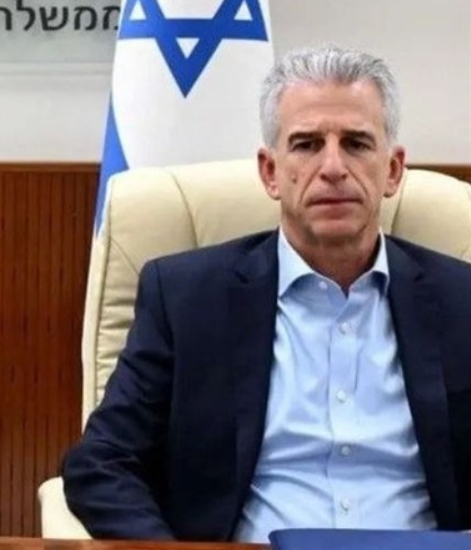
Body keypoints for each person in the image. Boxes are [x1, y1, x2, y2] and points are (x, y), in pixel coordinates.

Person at [61, 46, 471, 541]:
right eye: (307, 144)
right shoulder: (187, 299)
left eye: (357, 143)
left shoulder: (461, 301)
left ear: (393, 170)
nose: (333, 166)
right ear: (270, 172)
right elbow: (102, 461)